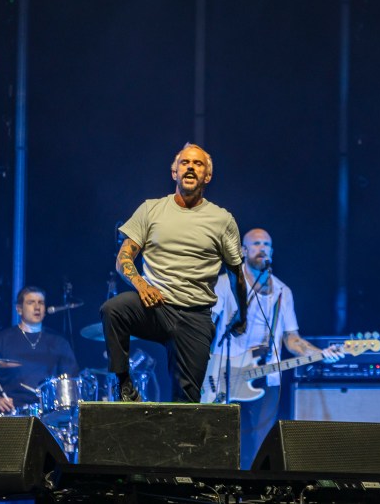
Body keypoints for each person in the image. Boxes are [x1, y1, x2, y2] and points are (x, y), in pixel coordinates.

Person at [101, 143, 248, 403]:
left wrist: (242, 316)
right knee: (113, 309)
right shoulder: (150, 209)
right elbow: (123, 257)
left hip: (194, 315)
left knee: (186, 403)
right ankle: (124, 384)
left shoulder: (222, 219)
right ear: (174, 172)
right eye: (185, 163)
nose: (191, 167)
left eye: (198, 164)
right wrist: (141, 285)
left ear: (207, 176)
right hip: (156, 306)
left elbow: (237, 274)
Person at [210, 228, 342, 467]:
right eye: (257, 243)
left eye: (267, 245)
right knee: (223, 440)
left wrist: (320, 354)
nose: (263, 249)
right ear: (243, 251)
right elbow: (205, 328)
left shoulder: (282, 292)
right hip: (223, 375)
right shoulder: (224, 285)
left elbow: (292, 339)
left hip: (266, 378)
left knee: (262, 443)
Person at [0, 286, 80, 413]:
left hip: (49, 412)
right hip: (12, 410)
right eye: (31, 302)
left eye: (41, 302)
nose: (37, 307)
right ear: (19, 309)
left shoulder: (59, 342)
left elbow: (71, 382)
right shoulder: (1, 339)